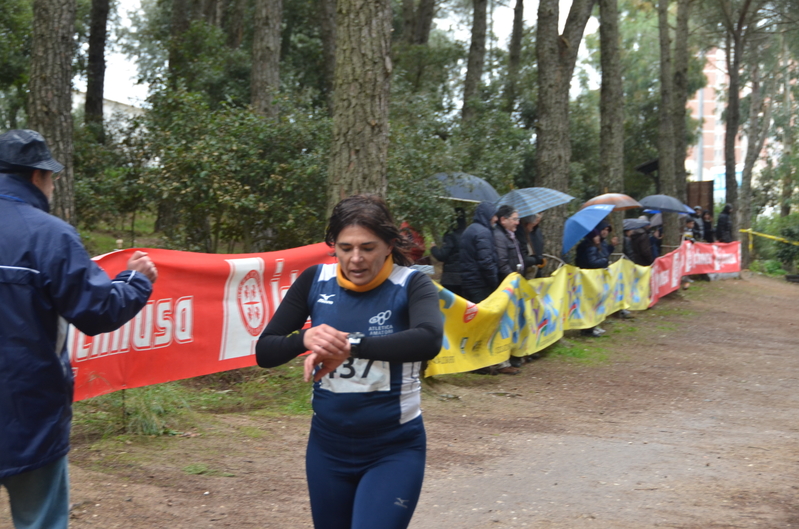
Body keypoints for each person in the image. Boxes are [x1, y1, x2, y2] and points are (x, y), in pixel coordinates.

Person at [255, 195, 443, 529]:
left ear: (388, 245)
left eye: (367, 248)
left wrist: (350, 345)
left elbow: (429, 339)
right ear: (333, 246)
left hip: (394, 449)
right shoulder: (315, 280)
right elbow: (265, 352)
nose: (355, 259)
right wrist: (304, 338)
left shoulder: (412, 284)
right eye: (345, 248)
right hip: (327, 448)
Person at [0, 129, 158, 529]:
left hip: (29, 411)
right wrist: (136, 281)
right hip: (30, 414)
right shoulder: (50, 236)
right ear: (38, 177)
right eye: (52, 177)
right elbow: (98, 311)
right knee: (41, 521)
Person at [459, 201, 499, 304]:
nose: (496, 219)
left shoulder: (468, 230)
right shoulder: (483, 233)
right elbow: (486, 262)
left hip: (467, 282)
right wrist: (495, 282)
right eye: (494, 215)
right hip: (480, 284)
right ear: (487, 215)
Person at [575, 229, 609, 337]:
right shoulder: (591, 248)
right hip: (590, 278)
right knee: (592, 304)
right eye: (596, 236)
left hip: (586, 278)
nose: (598, 238)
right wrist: (604, 260)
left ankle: (591, 327)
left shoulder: (585, 247)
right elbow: (592, 262)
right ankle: (588, 329)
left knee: (589, 303)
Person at [429, 208, 466, 297]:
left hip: (451, 278)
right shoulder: (468, 233)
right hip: (465, 277)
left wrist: (433, 248)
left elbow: (442, 255)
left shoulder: (450, 235)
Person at [493, 205, 524, 281]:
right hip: (508, 284)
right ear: (503, 220)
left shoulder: (511, 235)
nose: (517, 222)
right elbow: (502, 264)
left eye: (518, 219)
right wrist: (514, 281)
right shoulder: (499, 237)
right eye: (514, 219)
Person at [516, 213, 545, 278]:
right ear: (528, 224)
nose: (531, 229)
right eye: (531, 226)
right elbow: (523, 258)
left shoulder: (534, 232)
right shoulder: (520, 235)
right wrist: (537, 260)